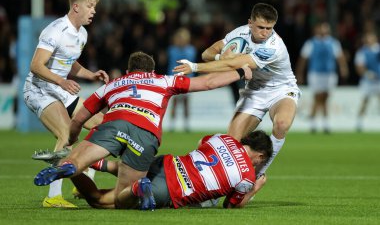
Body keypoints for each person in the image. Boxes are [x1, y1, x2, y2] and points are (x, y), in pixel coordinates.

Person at [33, 51, 253, 209]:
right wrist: (240, 72)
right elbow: (208, 83)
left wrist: (71, 139)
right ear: (152, 70)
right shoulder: (164, 80)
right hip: (146, 135)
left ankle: (68, 165)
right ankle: (138, 188)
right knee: (121, 199)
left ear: (129, 71)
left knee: (76, 162)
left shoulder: (113, 84)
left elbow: (79, 118)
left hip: (114, 124)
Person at [173, 3, 300, 187]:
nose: (265, 33)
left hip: (281, 89)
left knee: (281, 124)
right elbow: (207, 53)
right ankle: (213, 184)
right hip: (255, 91)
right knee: (231, 143)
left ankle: (257, 173)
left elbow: (234, 64)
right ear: (250, 23)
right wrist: (220, 57)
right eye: (261, 27)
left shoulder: (273, 46)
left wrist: (194, 67)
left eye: (269, 28)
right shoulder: (239, 34)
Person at [23, 0, 109, 208]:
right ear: (76, 6)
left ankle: (85, 177)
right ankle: (52, 197)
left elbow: (69, 63)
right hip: (39, 90)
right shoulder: (55, 31)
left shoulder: (82, 33)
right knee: (66, 134)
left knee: (99, 124)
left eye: (95, 7)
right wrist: (61, 81)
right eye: (90, 6)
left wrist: (90, 74)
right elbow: (35, 66)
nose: (94, 11)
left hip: (60, 89)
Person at [41, 130, 273, 210]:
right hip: (171, 189)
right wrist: (254, 189)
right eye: (260, 162)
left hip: (166, 163)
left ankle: (76, 162)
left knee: (124, 169)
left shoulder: (223, 138)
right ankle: (137, 190)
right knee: (99, 200)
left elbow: (202, 145)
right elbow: (231, 205)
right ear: (260, 155)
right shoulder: (247, 176)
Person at [296, 22, 349, 133]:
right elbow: (303, 59)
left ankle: (320, 122)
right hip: (315, 73)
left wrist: (343, 68)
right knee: (318, 97)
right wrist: (299, 73)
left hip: (330, 73)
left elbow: (340, 57)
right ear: (317, 30)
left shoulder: (333, 43)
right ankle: (317, 123)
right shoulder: (311, 43)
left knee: (325, 97)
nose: (324, 31)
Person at [166, 27, 197, 132]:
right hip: (174, 79)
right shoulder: (172, 49)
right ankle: (172, 125)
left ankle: (186, 124)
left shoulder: (191, 50)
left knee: (185, 103)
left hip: (187, 80)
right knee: (174, 103)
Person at [354, 31, 380, 132]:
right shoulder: (362, 52)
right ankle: (359, 122)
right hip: (367, 81)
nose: (369, 40)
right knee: (365, 101)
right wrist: (367, 73)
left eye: (371, 38)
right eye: (367, 38)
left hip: (379, 80)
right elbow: (359, 66)